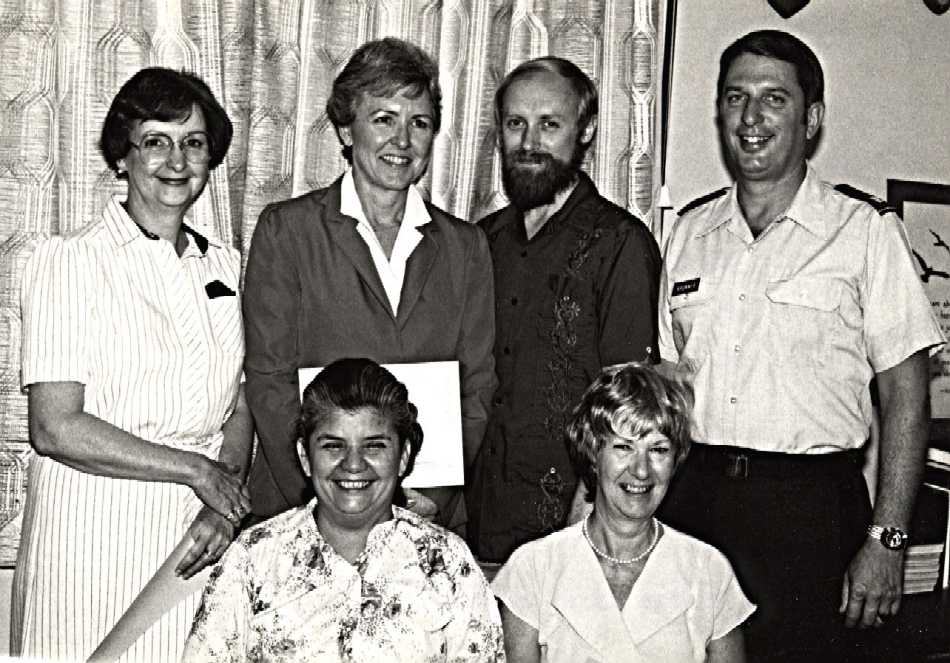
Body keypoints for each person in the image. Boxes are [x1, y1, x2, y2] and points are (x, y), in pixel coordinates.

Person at [657, 29, 945, 661]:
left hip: (811, 512)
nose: (751, 118)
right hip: (697, 498)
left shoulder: (863, 233)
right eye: (735, 98)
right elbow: (669, 386)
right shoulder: (689, 233)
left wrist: (888, 539)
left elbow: (906, 395)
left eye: (773, 99)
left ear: (811, 119)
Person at [12, 68, 252, 662]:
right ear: (123, 157)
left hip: (197, 537)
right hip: (91, 538)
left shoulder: (225, 264)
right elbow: (55, 427)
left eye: (193, 143)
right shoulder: (68, 261)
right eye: (156, 140)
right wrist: (196, 471)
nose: (177, 160)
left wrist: (221, 503)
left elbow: (242, 405)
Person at [243, 38, 495, 529]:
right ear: (345, 127)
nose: (402, 140)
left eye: (418, 123)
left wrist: (430, 494)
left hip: (423, 513)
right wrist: (323, 493)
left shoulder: (467, 247)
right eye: (383, 119)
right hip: (304, 512)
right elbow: (270, 380)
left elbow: (477, 384)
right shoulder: (287, 231)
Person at [467, 56, 661, 562]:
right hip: (477, 516)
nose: (529, 143)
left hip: (573, 525)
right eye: (516, 124)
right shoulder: (480, 242)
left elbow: (629, 401)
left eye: (549, 125)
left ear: (586, 130)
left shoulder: (621, 244)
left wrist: (590, 511)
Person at [183, 358, 505, 661]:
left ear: (404, 456)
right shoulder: (252, 561)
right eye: (333, 446)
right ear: (305, 457)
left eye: (374, 446)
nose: (353, 465)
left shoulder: (449, 565)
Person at [492, 362, 753, 662]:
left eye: (658, 450)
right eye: (623, 448)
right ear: (592, 452)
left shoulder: (708, 571)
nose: (641, 471)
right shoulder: (533, 569)